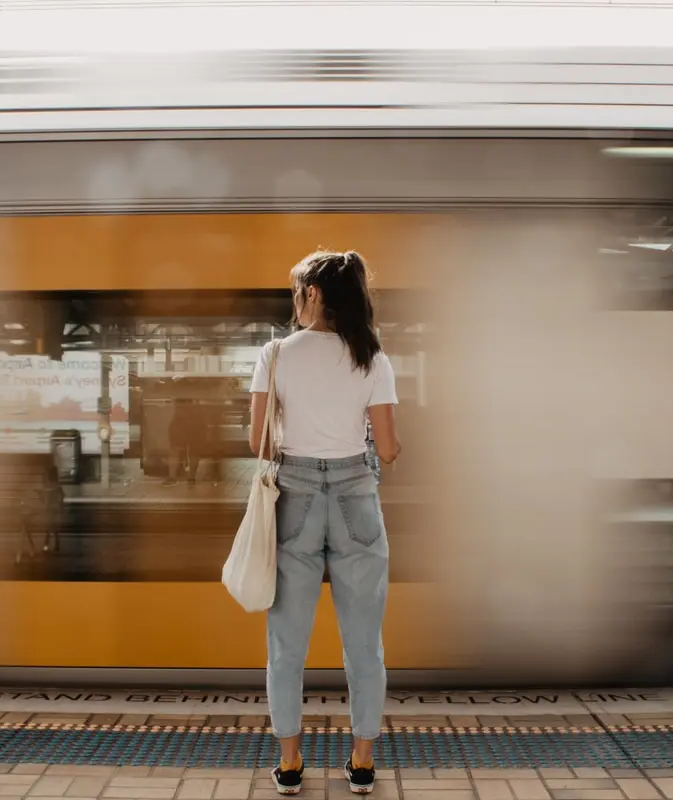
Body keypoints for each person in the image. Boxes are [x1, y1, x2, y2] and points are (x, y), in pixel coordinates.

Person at [249, 250, 401, 796]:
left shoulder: (274, 354)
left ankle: (290, 765)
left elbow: (258, 442)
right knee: (364, 643)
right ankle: (361, 764)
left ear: (313, 294)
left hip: (296, 498)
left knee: (286, 643)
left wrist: (300, 438)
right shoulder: (372, 357)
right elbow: (387, 449)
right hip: (356, 497)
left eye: (297, 290)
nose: (295, 299)